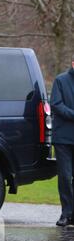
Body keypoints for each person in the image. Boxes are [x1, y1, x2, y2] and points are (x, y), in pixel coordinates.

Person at [50, 58, 74, 227]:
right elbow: (56, 105)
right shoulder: (61, 80)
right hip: (63, 138)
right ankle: (66, 213)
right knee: (65, 177)